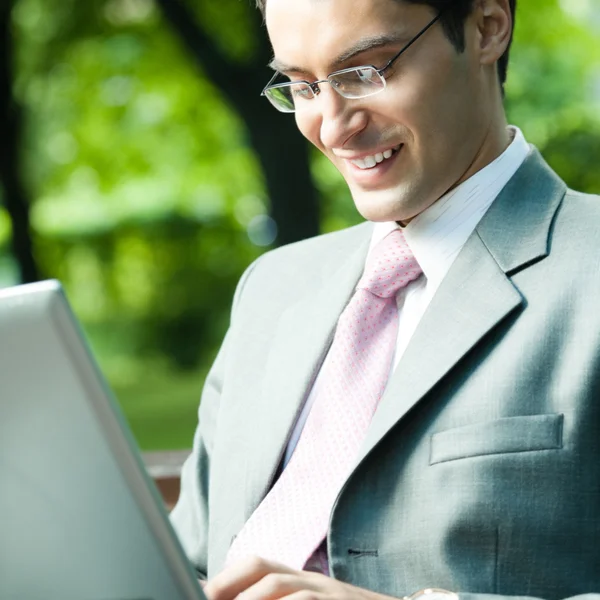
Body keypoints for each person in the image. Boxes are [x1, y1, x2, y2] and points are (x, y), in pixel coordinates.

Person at [171, 1, 600, 600]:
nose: (332, 124)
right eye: (301, 86)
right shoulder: (271, 290)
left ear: (486, 27)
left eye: (365, 72)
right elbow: (184, 559)